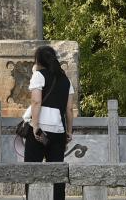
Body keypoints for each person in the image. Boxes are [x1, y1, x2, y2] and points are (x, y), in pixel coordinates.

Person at [22, 46, 75, 200]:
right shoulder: (66, 80)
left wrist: (35, 126)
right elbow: (69, 109)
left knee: (32, 170)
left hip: (39, 131)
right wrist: (69, 132)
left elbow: (36, 101)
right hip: (58, 131)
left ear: (38, 61)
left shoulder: (39, 75)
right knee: (57, 173)